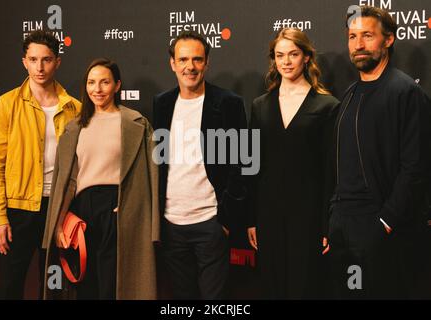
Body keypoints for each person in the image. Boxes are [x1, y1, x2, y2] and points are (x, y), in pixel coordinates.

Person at [326, 6, 431, 299]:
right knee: (349, 293)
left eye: (367, 36)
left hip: (380, 228)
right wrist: (334, 217)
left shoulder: (406, 93)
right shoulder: (348, 95)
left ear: (388, 40)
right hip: (343, 228)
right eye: (352, 36)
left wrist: (385, 222)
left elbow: (415, 168)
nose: (358, 45)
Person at [41, 58, 159, 300]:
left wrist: (130, 206)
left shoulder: (136, 123)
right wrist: (59, 223)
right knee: (85, 284)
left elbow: (148, 178)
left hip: (118, 209)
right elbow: (69, 180)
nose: (97, 89)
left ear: (117, 86)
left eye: (105, 82)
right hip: (82, 212)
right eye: (92, 82)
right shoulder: (75, 128)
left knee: (113, 285)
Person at [0, 30, 80, 299]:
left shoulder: (74, 107)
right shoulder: (7, 104)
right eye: (33, 59)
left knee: (54, 289)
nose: (40, 67)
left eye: (47, 60)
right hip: (19, 209)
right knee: (10, 286)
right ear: (24, 61)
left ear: (58, 62)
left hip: (59, 209)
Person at [153, 31, 247, 299]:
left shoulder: (229, 103)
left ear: (207, 63)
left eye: (197, 59)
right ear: (172, 63)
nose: (189, 66)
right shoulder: (162, 103)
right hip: (171, 224)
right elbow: (159, 163)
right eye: (183, 59)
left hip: (211, 223)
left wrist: (226, 221)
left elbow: (242, 163)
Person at [247, 28, 339, 299]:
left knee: (305, 286)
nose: (286, 61)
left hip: (308, 216)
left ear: (307, 58)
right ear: (273, 60)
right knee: (272, 286)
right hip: (268, 214)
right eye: (280, 55)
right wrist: (251, 218)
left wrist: (326, 224)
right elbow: (251, 165)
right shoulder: (260, 106)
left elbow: (329, 172)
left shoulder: (327, 106)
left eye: (293, 54)